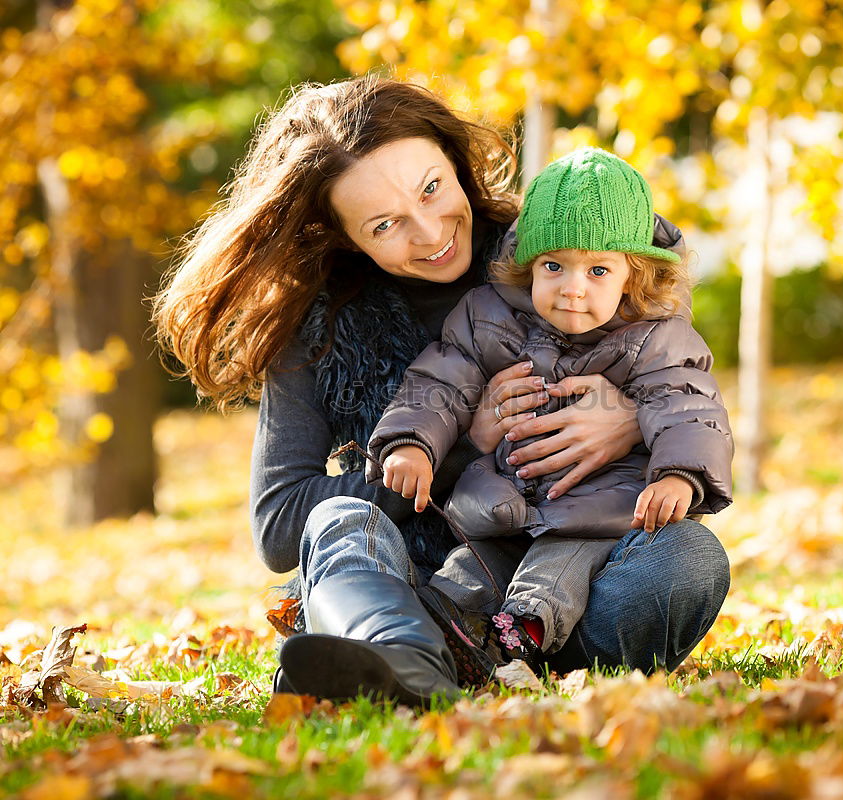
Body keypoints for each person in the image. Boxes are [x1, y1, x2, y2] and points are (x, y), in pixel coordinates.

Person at [153, 74, 731, 706]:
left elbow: (677, 387)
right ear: (343, 235)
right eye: (384, 225)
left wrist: (624, 420)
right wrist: (463, 443)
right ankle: (406, 652)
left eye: (432, 189)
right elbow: (280, 524)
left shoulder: (555, 248)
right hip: (415, 582)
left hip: (569, 577)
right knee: (338, 520)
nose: (430, 234)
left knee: (689, 557)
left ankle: (452, 661)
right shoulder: (318, 327)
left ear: (456, 163)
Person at [367, 147, 733, 684]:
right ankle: (434, 642)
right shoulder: (488, 317)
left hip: (596, 515)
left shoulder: (659, 340)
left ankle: (520, 637)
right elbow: (439, 381)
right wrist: (411, 442)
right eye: (554, 266)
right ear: (528, 265)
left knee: (558, 571)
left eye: (598, 269)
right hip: (502, 510)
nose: (573, 287)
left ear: (632, 277)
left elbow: (690, 407)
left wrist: (680, 473)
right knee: (466, 572)